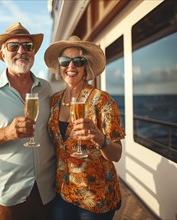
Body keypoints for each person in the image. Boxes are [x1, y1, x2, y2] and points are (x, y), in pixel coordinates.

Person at [0, 22, 56, 220]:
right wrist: (7, 132)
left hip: (47, 190)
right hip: (11, 195)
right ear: (3, 53)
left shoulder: (46, 88)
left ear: (33, 53)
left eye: (28, 46)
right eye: (13, 46)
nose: (21, 51)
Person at [44, 36, 126, 220]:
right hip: (63, 190)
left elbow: (117, 154)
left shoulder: (102, 101)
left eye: (78, 61)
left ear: (85, 67)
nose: (71, 66)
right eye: (65, 61)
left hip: (95, 196)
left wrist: (99, 138)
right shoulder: (54, 101)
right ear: (60, 67)